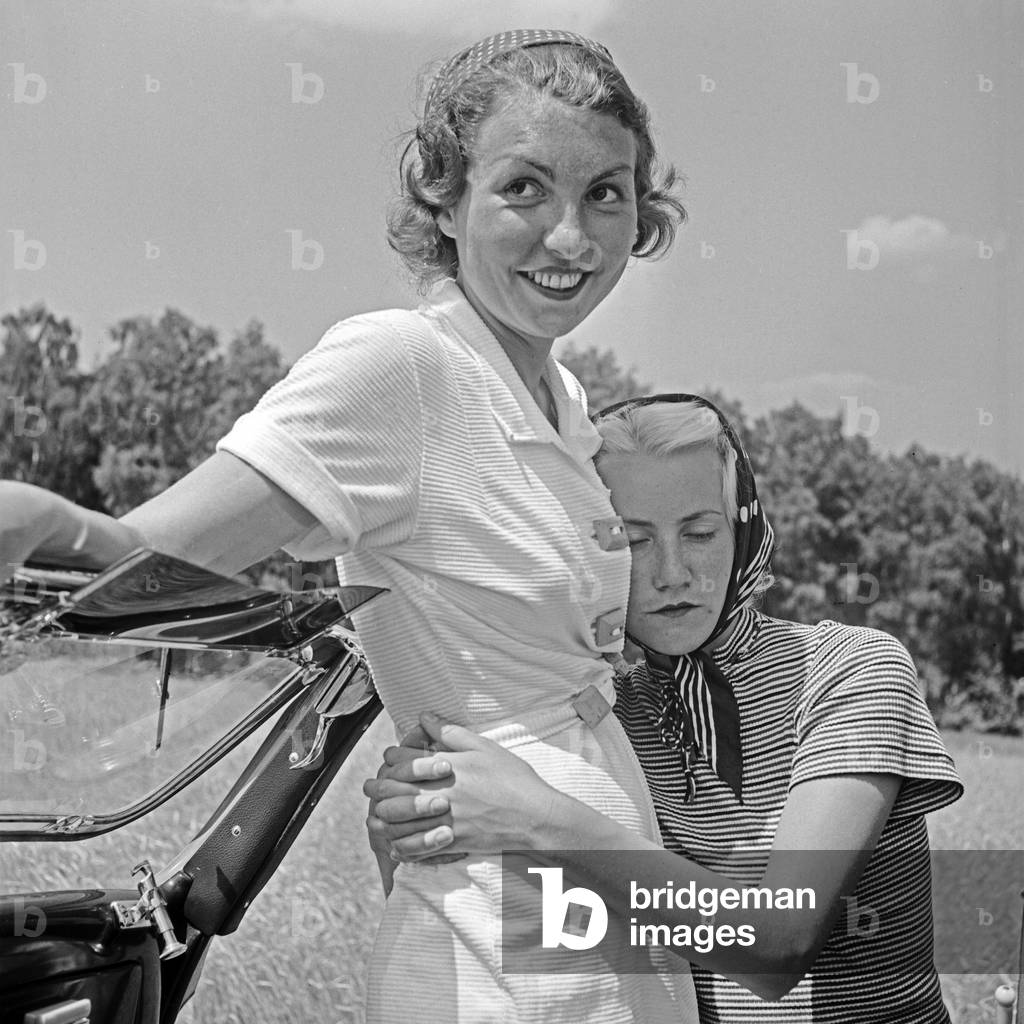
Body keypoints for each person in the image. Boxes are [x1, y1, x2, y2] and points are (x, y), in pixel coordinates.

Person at [0, 30, 698, 1024]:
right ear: (445, 199)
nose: (572, 236)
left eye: (606, 193)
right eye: (524, 189)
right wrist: (39, 516)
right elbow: (157, 560)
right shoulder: (400, 367)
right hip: (498, 956)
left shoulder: (563, 399)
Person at [366, 395, 964, 1023]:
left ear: (745, 530)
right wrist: (421, 837)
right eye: (633, 540)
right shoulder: (595, 710)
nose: (672, 572)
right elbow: (551, 931)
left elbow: (777, 944)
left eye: (701, 533)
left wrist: (536, 818)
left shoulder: (848, 667)